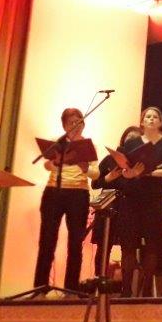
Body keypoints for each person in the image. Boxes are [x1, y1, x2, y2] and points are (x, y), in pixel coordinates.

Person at [33, 107, 99, 294]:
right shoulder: (57, 142)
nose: (76, 125)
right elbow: (47, 165)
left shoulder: (88, 145)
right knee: (47, 240)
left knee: (75, 243)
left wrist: (85, 168)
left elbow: (96, 173)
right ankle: (40, 287)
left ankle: (71, 289)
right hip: (54, 192)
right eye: (71, 122)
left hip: (78, 194)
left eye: (79, 121)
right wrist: (57, 161)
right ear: (64, 126)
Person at [118, 107, 162, 297]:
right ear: (142, 122)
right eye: (148, 116)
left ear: (160, 122)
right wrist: (130, 173)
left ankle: (145, 291)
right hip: (132, 199)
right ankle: (126, 290)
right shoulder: (132, 143)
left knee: (152, 246)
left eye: (155, 117)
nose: (151, 119)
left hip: (155, 200)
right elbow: (124, 169)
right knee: (128, 245)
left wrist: (151, 172)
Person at [90, 125, 143, 280]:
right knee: (103, 247)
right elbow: (95, 183)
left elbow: (145, 189)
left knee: (128, 248)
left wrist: (134, 176)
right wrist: (108, 178)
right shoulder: (109, 159)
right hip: (109, 206)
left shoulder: (141, 164)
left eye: (136, 139)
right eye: (129, 137)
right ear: (123, 139)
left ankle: (126, 288)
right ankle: (99, 282)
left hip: (130, 209)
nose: (131, 140)